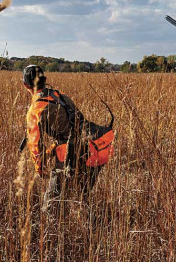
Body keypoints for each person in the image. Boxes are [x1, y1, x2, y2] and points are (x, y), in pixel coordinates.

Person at [21, 64, 114, 212]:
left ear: (25, 85)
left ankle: (52, 232)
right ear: (45, 80)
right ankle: (90, 227)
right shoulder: (60, 95)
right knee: (82, 197)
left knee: (52, 202)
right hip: (91, 147)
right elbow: (75, 125)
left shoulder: (35, 109)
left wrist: (40, 167)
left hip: (69, 154)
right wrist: (51, 150)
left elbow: (34, 145)